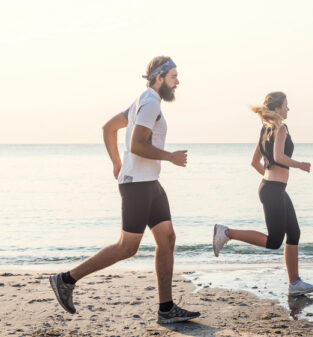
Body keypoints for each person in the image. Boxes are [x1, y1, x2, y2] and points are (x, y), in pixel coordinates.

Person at [49, 56, 200, 324]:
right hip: (138, 186)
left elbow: (108, 128)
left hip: (149, 182)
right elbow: (137, 145)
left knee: (166, 238)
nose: (178, 82)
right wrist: (169, 157)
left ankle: (166, 308)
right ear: (159, 77)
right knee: (127, 247)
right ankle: (66, 279)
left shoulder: (143, 100)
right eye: (174, 76)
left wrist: (117, 164)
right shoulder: (150, 101)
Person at [212, 91, 313, 296]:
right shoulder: (280, 128)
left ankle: (295, 283)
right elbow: (279, 157)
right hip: (273, 190)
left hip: (272, 188)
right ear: (277, 108)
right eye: (286, 105)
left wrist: (270, 180)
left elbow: (255, 163)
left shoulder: (265, 129)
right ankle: (226, 233)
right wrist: (300, 165)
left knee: (294, 232)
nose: (288, 109)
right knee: (274, 241)